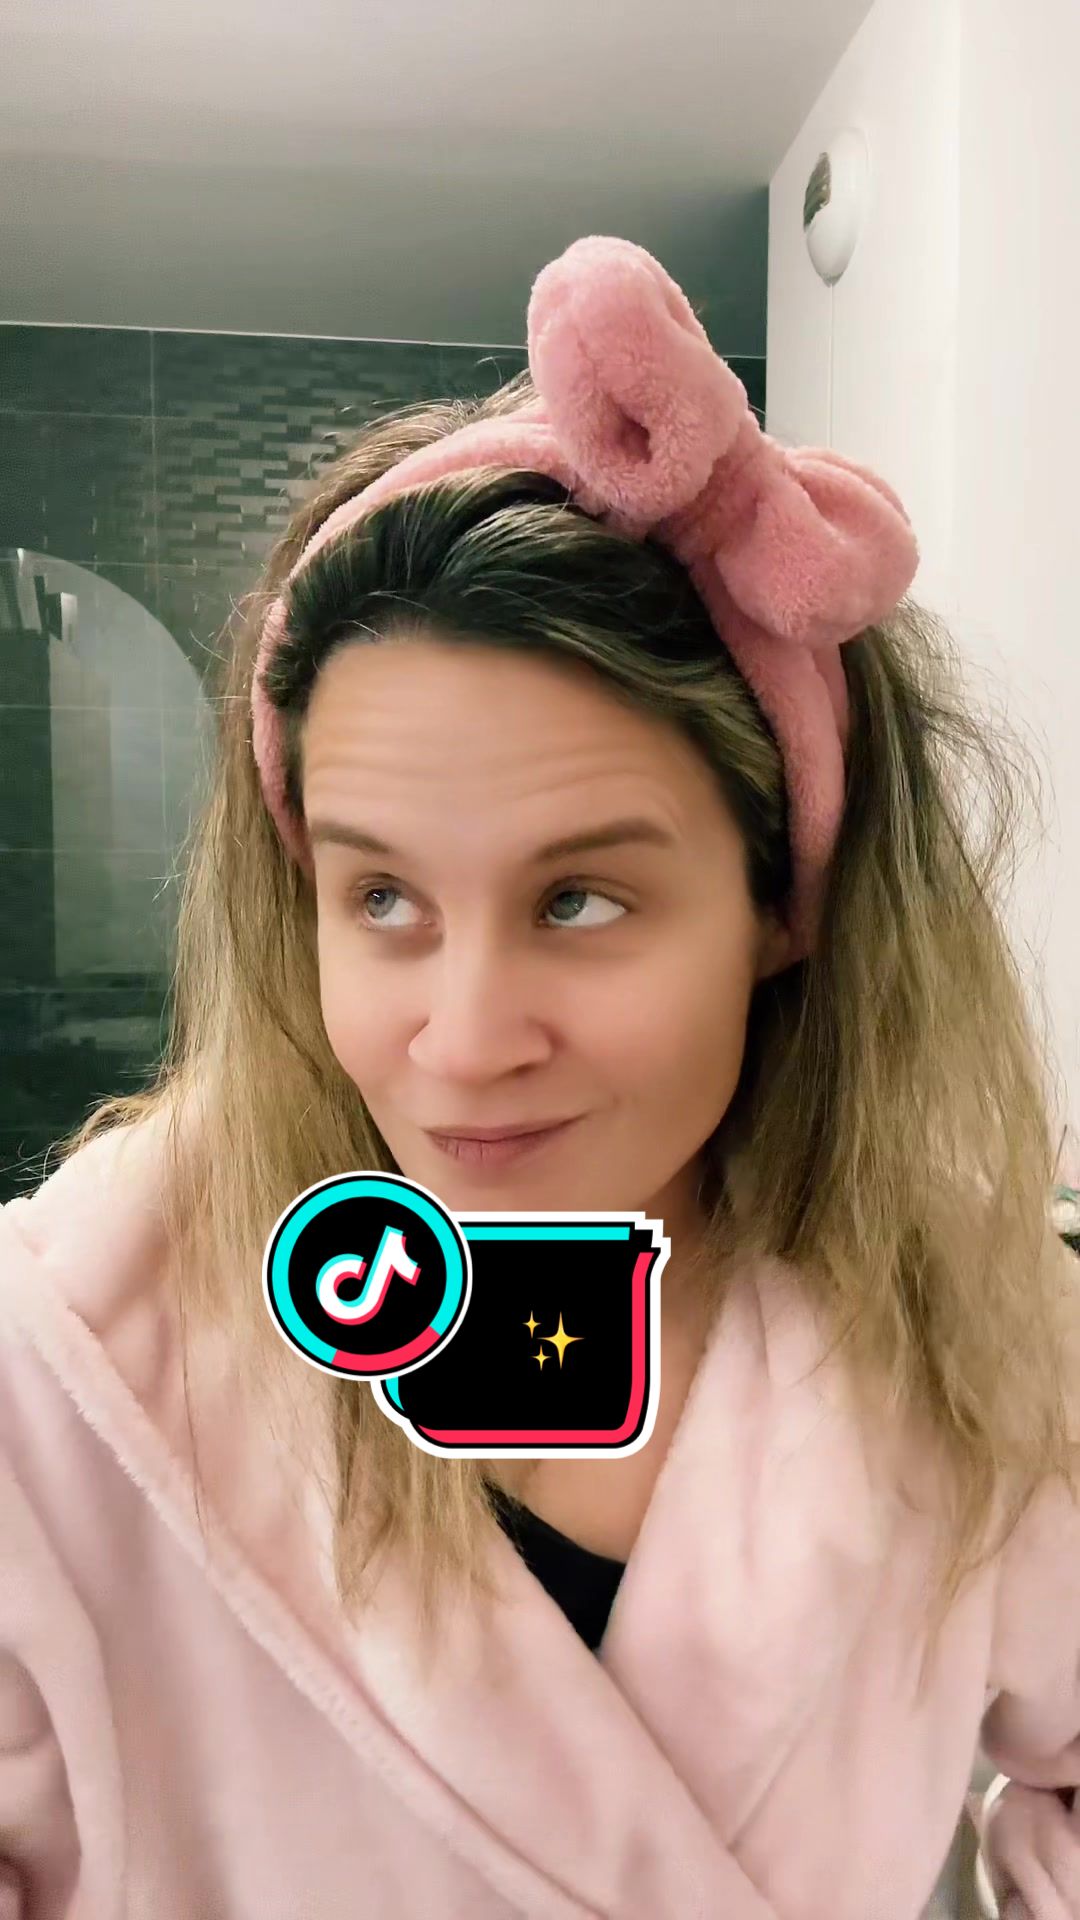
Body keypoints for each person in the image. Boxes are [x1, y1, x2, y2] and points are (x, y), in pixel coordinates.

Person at [1, 234, 1078, 1920]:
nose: (465, 1039)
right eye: (382, 900)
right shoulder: (65, 1367)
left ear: (784, 906)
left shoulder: (978, 1336)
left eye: (580, 900)